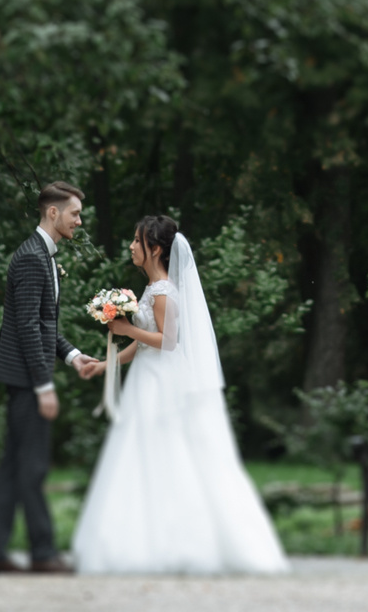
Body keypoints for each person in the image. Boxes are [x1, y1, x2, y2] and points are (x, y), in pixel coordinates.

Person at [70, 214, 290, 575]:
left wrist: (126, 327)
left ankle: (176, 542)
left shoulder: (163, 291)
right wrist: (105, 364)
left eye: (137, 241)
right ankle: (147, 540)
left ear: (154, 249)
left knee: (164, 452)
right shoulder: (152, 289)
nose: (130, 246)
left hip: (161, 382)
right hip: (148, 374)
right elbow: (144, 346)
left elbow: (167, 343)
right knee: (144, 453)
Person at [0, 182, 106, 575]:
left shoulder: (43, 255)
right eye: (75, 214)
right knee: (32, 468)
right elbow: (28, 329)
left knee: (14, 467)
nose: (79, 221)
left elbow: (42, 322)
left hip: (22, 376)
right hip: (26, 379)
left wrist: (71, 356)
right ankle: (43, 553)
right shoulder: (33, 258)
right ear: (53, 213)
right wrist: (44, 386)